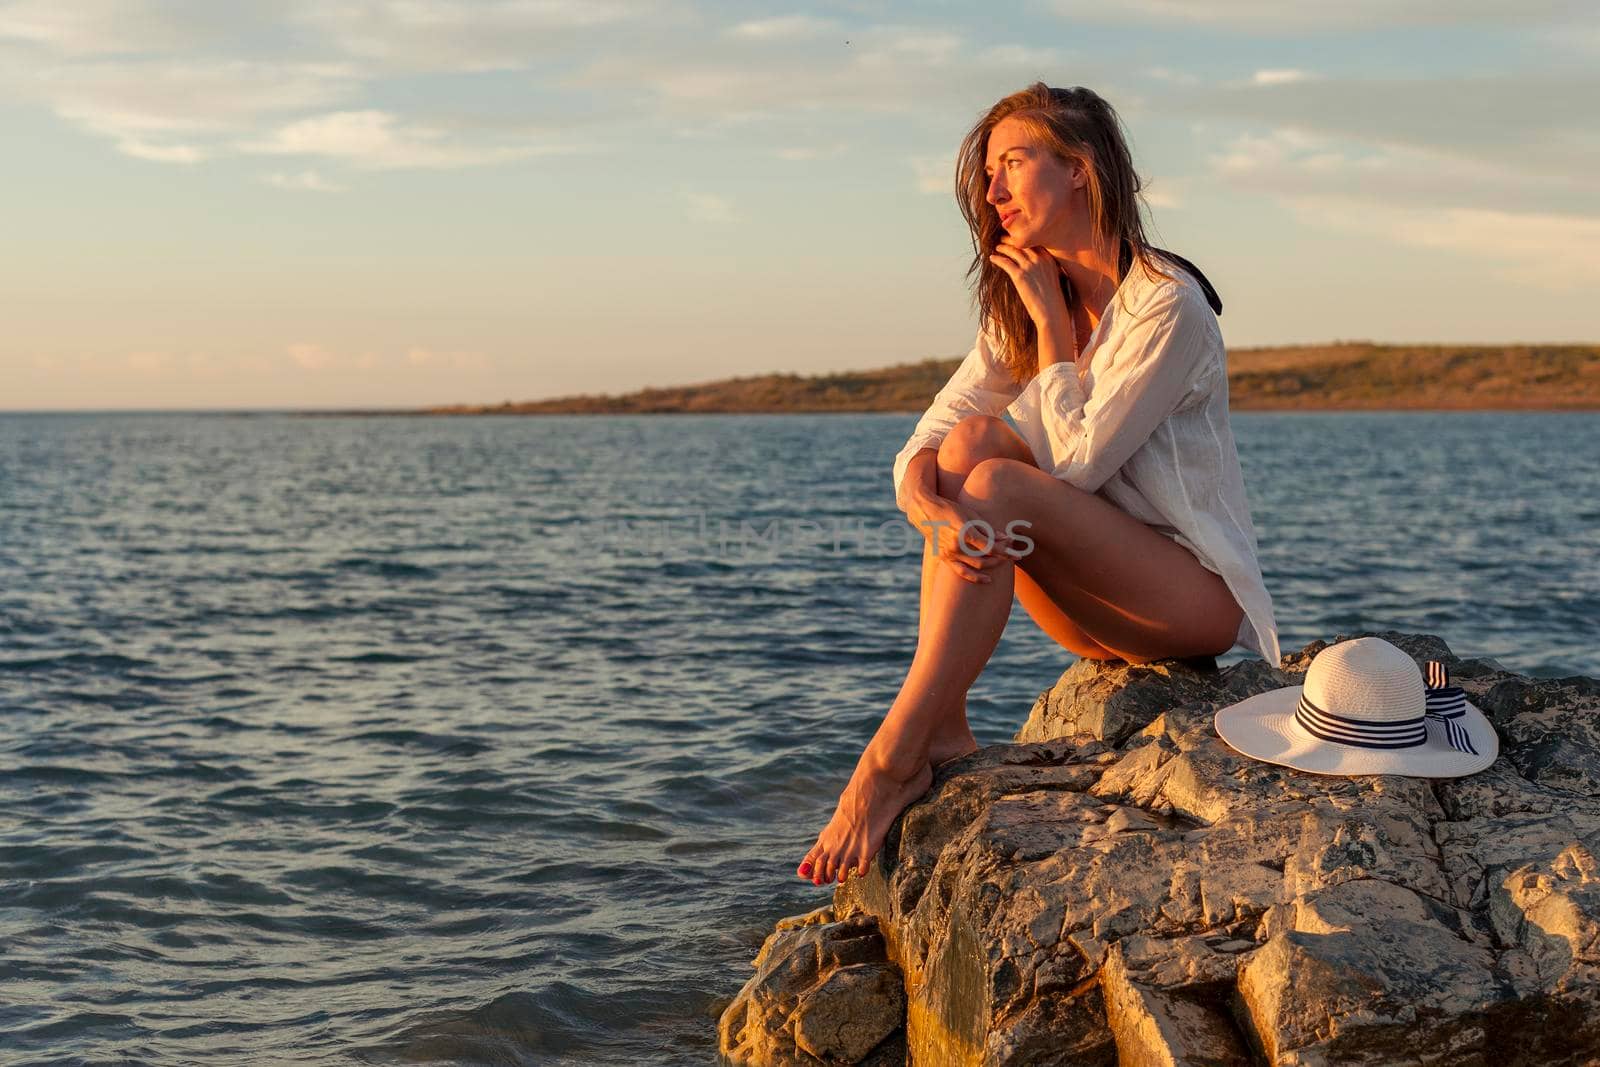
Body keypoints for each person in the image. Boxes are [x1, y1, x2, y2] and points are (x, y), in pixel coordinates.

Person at [796, 83, 1282, 887]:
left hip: (1189, 603)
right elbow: (935, 430)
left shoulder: (1167, 304)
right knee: (972, 444)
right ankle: (942, 725)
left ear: (1080, 171)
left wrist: (1054, 336)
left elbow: (1077, 465)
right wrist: (923, 499)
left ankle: (891, 756)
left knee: (996, 472)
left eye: (1012, 164)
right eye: (987, 174)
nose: (991, 192)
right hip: (1091, 602)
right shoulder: (1026, 295)